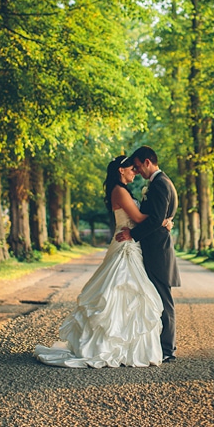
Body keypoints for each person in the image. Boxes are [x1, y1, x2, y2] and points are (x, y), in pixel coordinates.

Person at [34, 155, 172, 368]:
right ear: (121, 170)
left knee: (131, 294)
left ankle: (126, 345)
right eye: (131, 169)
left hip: (130, 245)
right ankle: (110, 346)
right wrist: (163, 221)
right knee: (118, 290)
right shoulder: (120, 191)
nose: (134, 172)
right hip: (124, 246)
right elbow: (138, 218)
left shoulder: (124, 191)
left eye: (136, 169)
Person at [114, 146, 179, 363]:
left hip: (158, 250)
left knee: (163, 299)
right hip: (155, 247)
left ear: (148, 162)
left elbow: (154, 218)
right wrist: (163, 222)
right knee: (155, 297)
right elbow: (158, 217)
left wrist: (132, 233)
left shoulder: (160, 184)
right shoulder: (161, 183)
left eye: (139, 166)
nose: (138, 170)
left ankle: (167, 348)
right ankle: (159, 344)